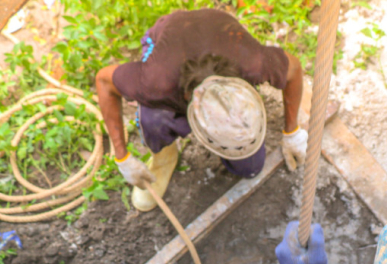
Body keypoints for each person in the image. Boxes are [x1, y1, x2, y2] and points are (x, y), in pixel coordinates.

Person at [96, 9, 307, 212]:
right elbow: (104, 81)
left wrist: (292, 132)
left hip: (220, 28)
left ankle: (236, 142)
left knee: (249, 166)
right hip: (170, 34)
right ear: (188, 102)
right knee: (153, 119)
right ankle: (164, 156)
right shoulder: (155, 82)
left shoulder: (253, 63)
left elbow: (294, 68)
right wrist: (122, 156)